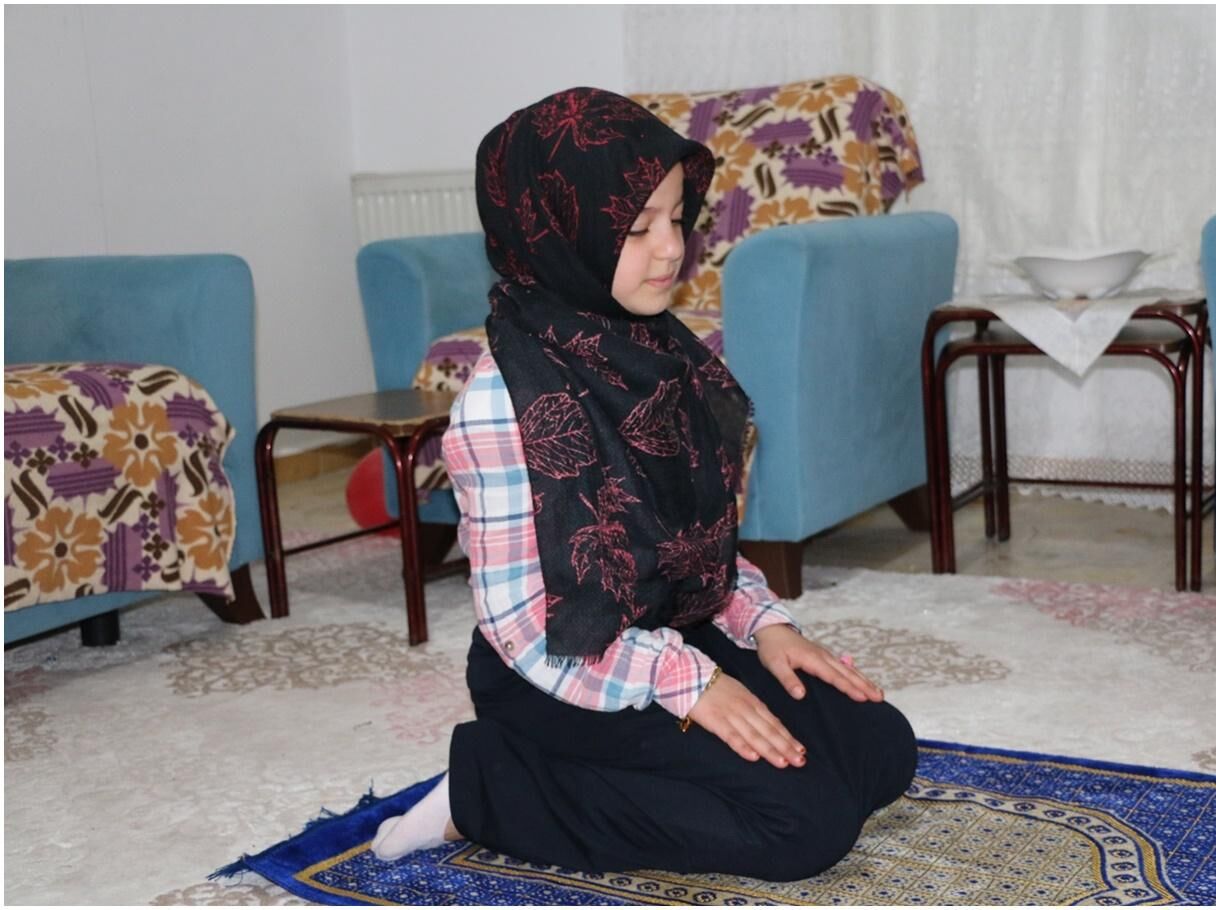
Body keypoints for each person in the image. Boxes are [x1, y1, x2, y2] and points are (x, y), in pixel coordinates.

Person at [370, 86, 918, 881]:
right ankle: (488, 784)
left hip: (667, 626)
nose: (671, 251)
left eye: (677, 219)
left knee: (881, 747)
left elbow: (697, 545)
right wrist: (687, 683)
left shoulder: (661, 354)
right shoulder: (500, 402)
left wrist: (765, 625)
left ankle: (598, 772)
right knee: (805, 825)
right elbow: (524, 626)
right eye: (636, 229)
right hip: (557, 666)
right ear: (562, 233)